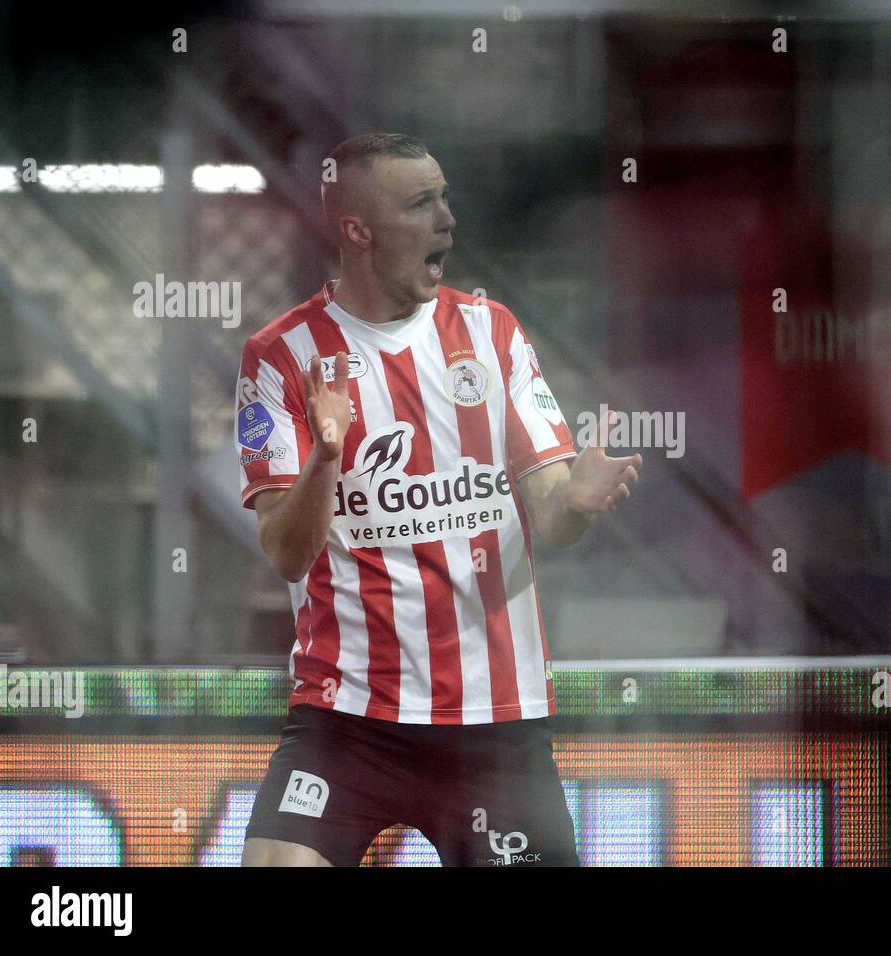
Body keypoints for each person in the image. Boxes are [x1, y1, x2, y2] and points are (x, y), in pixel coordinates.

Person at [235, 133, 641, 866]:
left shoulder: (493, 333)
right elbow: (287, 554)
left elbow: (553, 520)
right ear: (358, 231)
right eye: (422, 203)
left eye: (446, 196)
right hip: (348, 717)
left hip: (494, 724)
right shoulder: (282, 356)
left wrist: (576, 501)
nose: (449, 220)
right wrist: (327, 455)